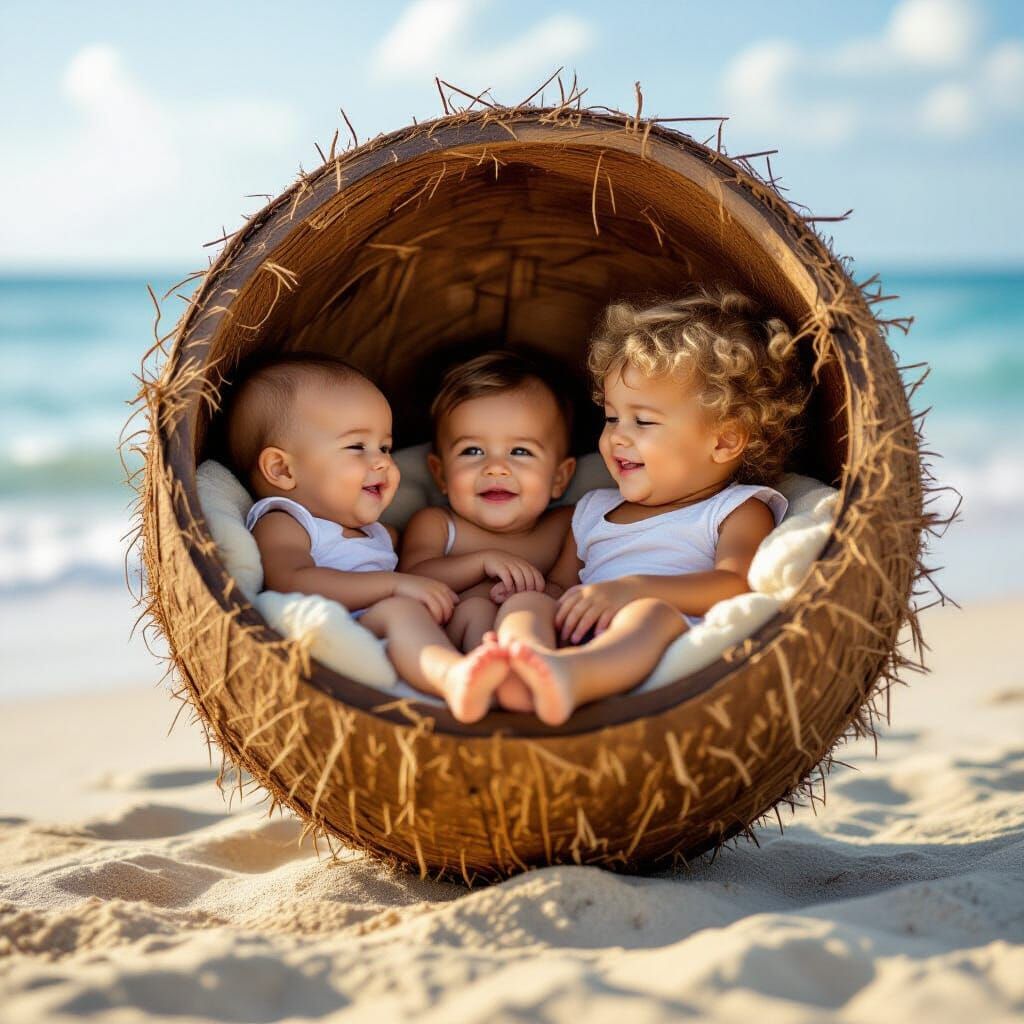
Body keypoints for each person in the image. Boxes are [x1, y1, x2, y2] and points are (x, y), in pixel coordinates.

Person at [492, 286, 809, 725]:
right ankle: (525, 662)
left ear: (724, 440)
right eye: (611, 417)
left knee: (650, 614)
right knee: (528, 604)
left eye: (642, 421)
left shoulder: (734, 509)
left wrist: (634, 589)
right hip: (581, 629)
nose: (617, 436)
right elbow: (562, 585)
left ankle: (573, 677)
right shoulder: (594, 509)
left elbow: (735, 585)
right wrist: (531, 596)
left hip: (657, 636)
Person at [227, 354, 507, 723]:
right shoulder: (286, 522)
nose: (382, 463)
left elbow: (421, 578)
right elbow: (292, 579)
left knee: (476, 609)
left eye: (386, 448)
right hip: (357, 633)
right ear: (282, 469)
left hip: (415, 632)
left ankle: (497, 680)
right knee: (399, 610)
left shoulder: (378, 534)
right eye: (358, 447)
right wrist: (392, 586)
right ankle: (453, 678)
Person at [398, 351, 577, 667]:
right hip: (452, 644)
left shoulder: (568, 525)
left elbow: (568, 588)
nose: (496, 468)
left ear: (559, 478)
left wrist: (525, 598)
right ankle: (481, 675)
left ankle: (529, 670)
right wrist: (482, 562)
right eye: (473, 451)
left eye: (520, 451)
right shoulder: (437, 523)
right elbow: (412, 576)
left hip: (533, 640)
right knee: (475, 610)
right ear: (440, 473)